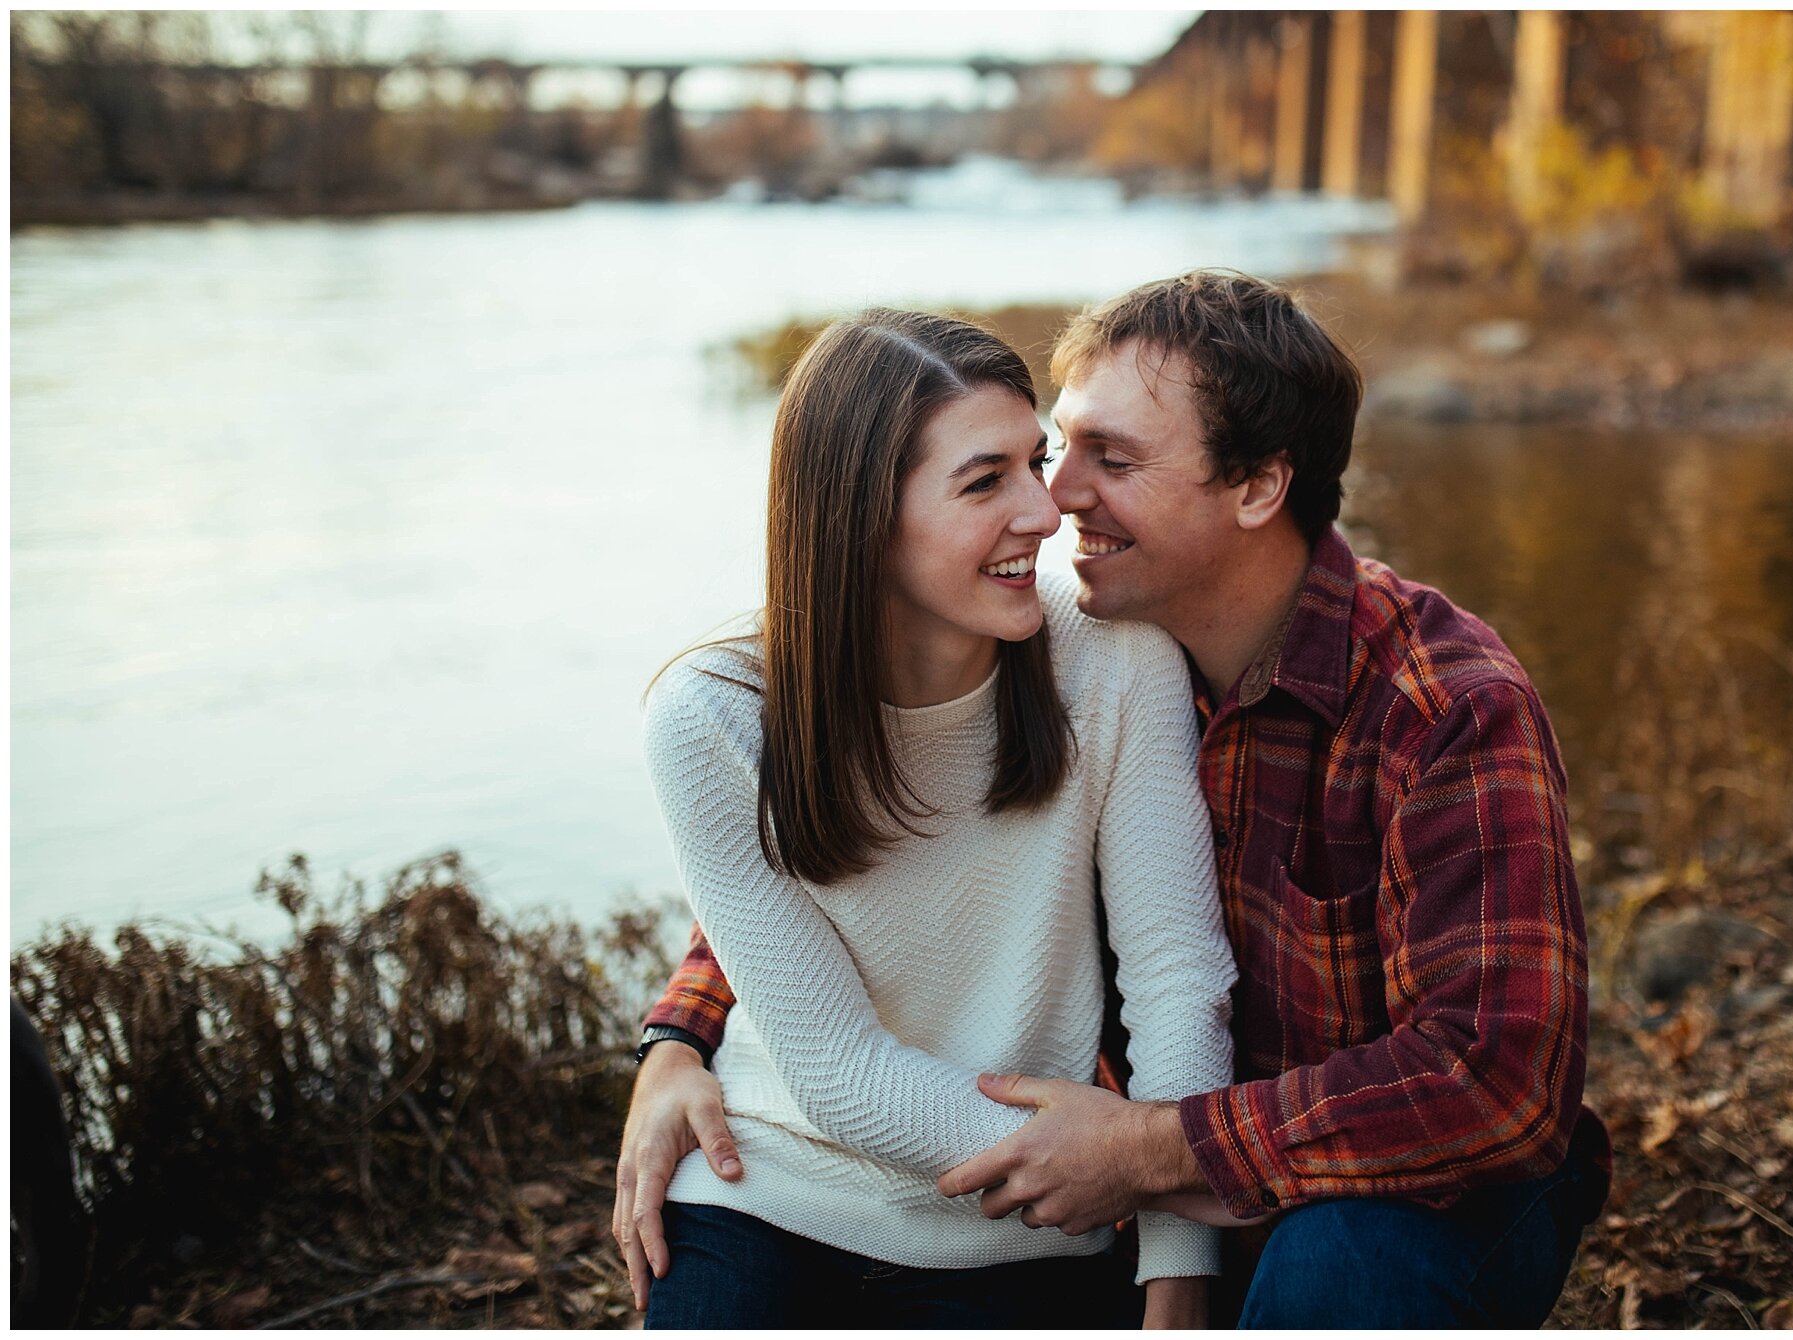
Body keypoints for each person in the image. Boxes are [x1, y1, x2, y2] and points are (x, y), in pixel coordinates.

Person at [624, 272, 1611, 1328]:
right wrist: (676, 1038)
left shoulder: (1440, 708)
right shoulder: (1084, 631)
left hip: (1392, 1174)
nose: (1056, 502)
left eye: (1112, 460)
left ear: (1255, 488)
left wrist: (1150, 1166)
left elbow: (1490, 1079)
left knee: (1337, 1266)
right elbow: (853, 875)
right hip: (1117, 1173)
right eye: (1060, 448)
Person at [621, 308, 1238, 1330]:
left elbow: (1174, 968)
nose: (1046, 514)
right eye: (983, 480)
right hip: (768, 1191)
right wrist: (1139, 1162)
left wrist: (1174, 1268)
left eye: (1031, 463)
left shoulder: (1111, 656)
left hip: (1032, 1220)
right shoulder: (712, 716)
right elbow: (837, 1073)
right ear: (862, 514)